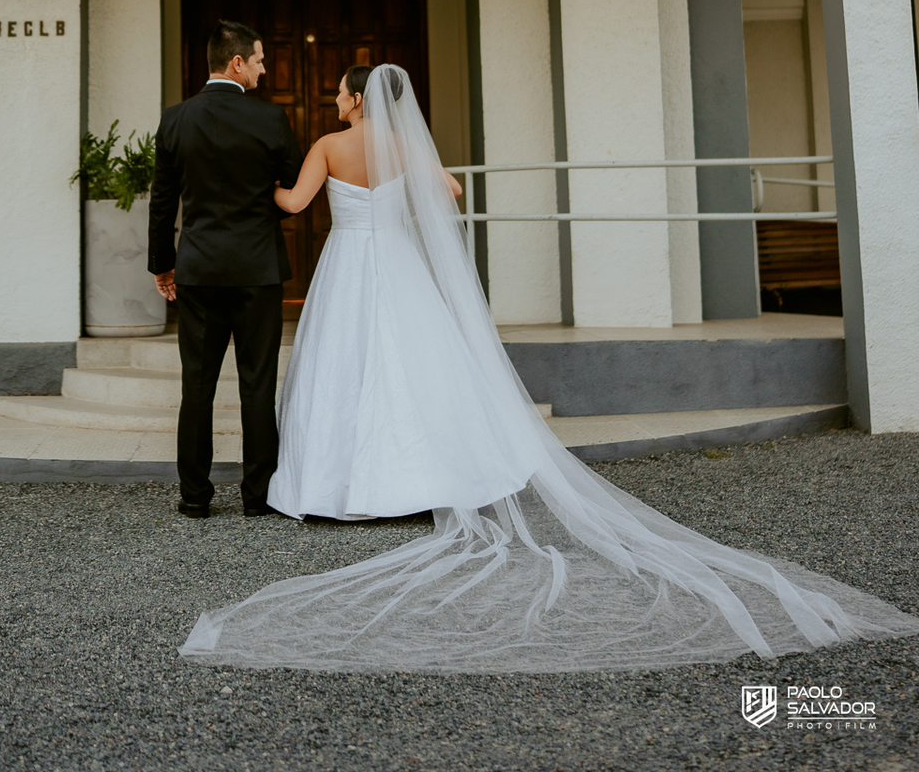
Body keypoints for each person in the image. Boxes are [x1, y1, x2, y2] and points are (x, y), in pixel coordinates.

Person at [181, 63, 919, 672]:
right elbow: (453, 194)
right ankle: (419, 480)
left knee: (341, 372)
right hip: (399, 267)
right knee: (412, 371)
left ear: (350, 97)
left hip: (348, 266)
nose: (341, 101)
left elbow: (292, 200)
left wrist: (246, 188)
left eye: (343, 93)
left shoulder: (329, 145)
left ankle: (336, 487)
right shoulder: (410, 149)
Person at [148, 18, 302, 520]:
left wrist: (162, 266)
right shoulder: (271, 120)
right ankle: (258, 497)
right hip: (257, 270)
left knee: (197, 384)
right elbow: (294, 188)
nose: (262, 69)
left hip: (198, 270)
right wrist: (260, 213)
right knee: (258, 383)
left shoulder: (175, 120)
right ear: (236, 62)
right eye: (258, 60)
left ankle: (195, 497)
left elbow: (162, 201)